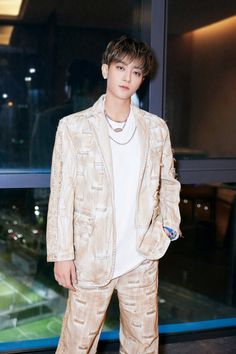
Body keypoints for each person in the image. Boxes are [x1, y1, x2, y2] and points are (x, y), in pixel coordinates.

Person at [46, 35, 181, 354]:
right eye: (121, 68)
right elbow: (62, 193)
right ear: (106, 70)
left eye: (136, 72)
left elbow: (168, 181)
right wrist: (62, 252)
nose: (128, 78)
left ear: (142, 78)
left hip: (142, 255)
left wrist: (168, 227)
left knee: (143, 343)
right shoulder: (73, 127)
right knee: (77, 343)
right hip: (90, 256)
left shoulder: (155, 128)